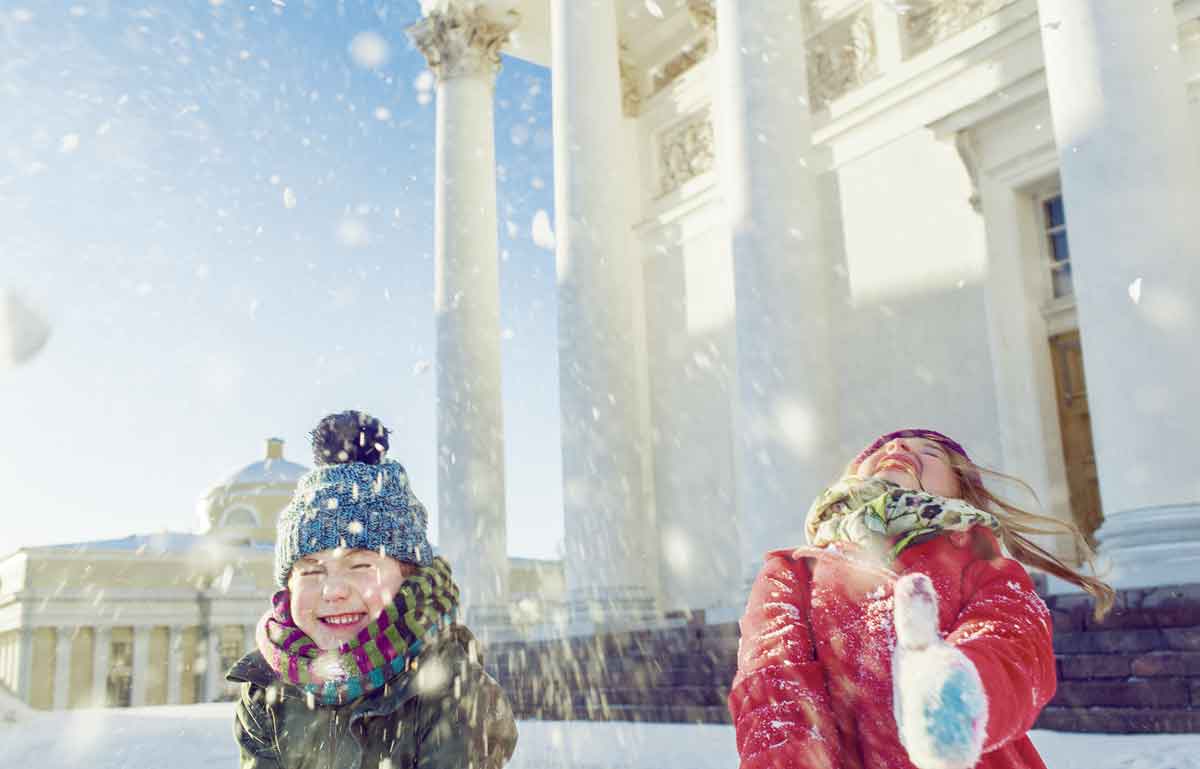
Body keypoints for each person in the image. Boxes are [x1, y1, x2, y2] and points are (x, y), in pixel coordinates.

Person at [729, 428, 1113, 769]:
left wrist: (957, 687)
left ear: (959, 489)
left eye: (929, 452)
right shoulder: (794, 571)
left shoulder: (980, 558)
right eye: (879, 449)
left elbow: (1014, 640)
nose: (899, 445)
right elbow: (773, 681)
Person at [228, 410, 517, 769]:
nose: (333, 590)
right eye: (312, 571)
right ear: (287, 586)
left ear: (408, 577)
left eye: (361, 565)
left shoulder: (454, 694)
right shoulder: (264, 690)